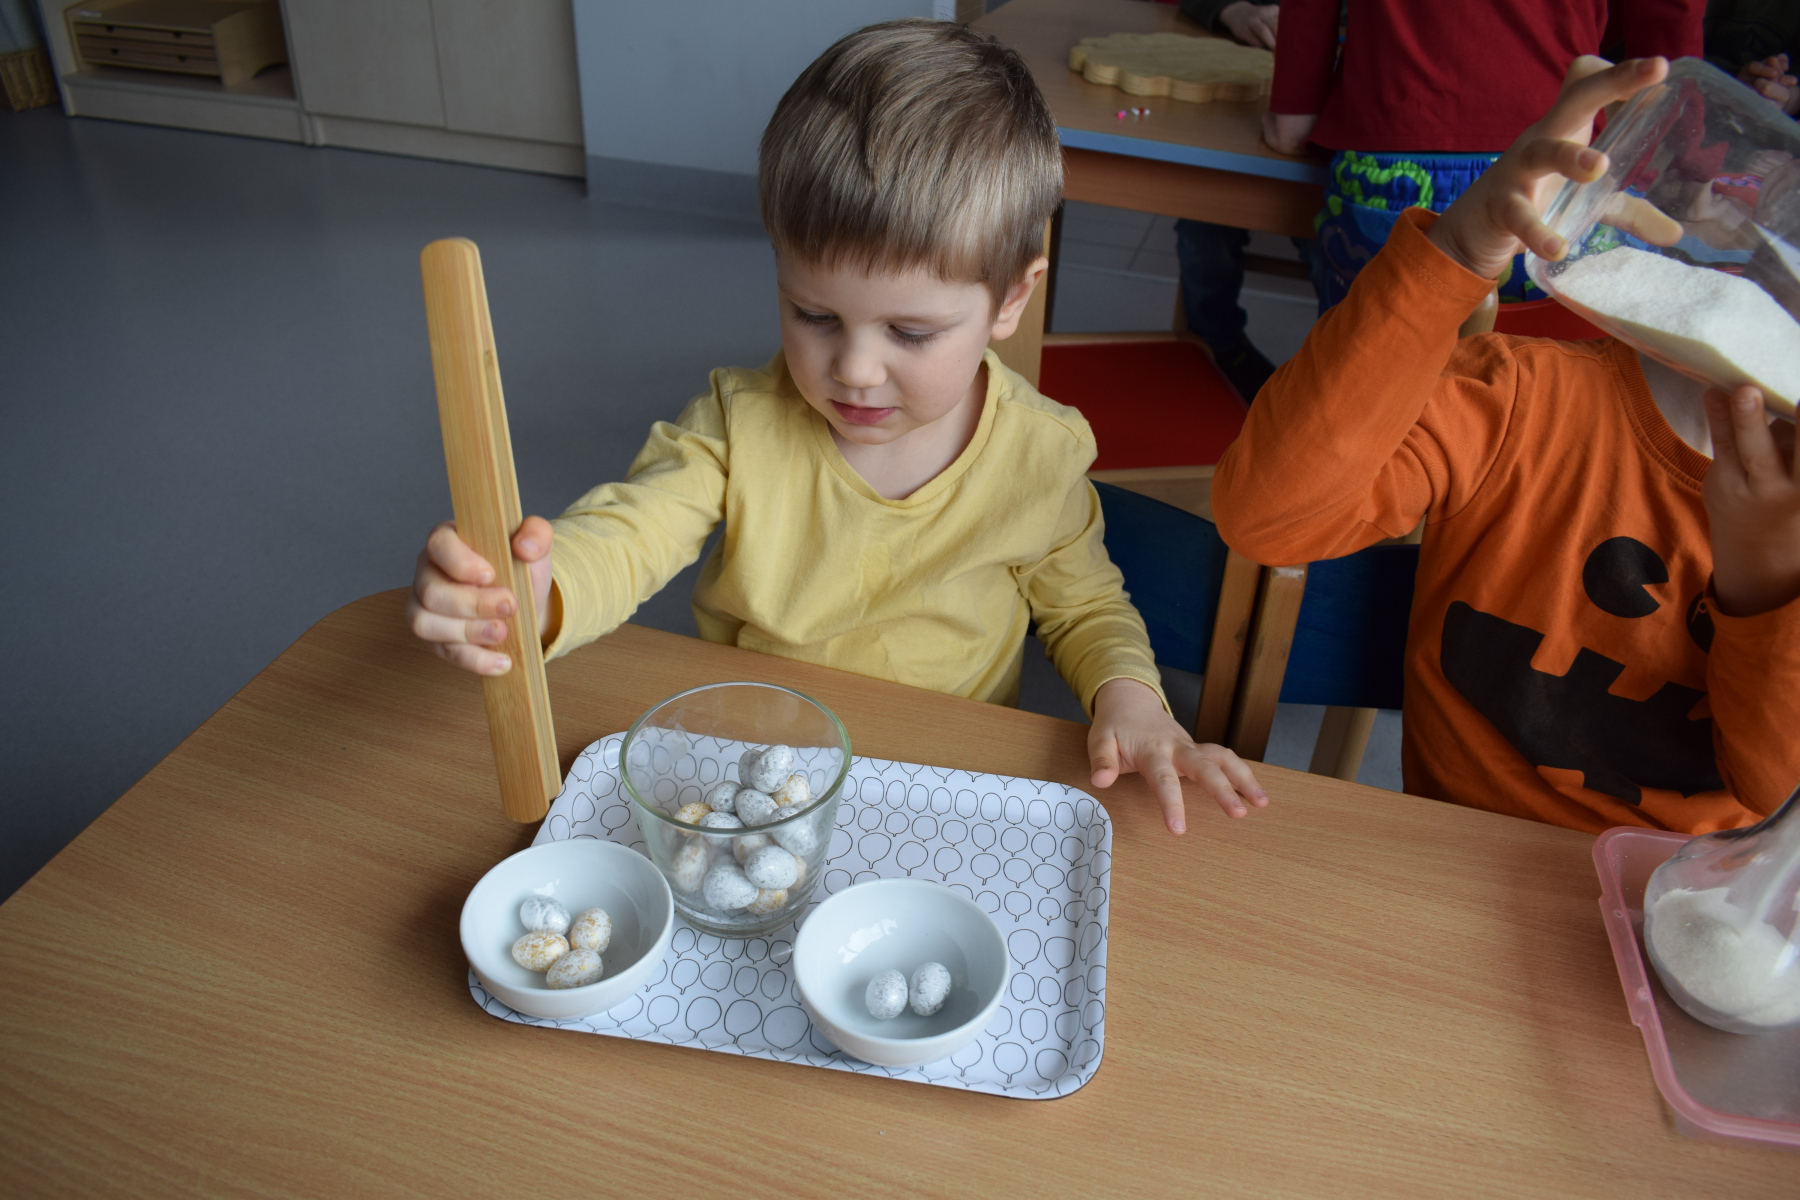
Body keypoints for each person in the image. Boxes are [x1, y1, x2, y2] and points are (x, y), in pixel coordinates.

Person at [406, 20, 1266, 834]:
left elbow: (1085, 606)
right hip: (750, 768)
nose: (853, 369)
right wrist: (541, 593)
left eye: (910, 333)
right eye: (814, 315)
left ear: (1011, 298)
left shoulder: (1041, 454)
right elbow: (632, 534)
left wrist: (1132, 697)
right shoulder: (738, 424)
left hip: (937, 781)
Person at [1211, 56, 1800, 835]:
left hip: (1665, 895)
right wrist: (1455, 252)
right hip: (1454, 853)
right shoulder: (1518, 398)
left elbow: (1772, 786)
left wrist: (1766, 584)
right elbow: (1268, 518)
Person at [1267, 0, 1702, 310]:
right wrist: (1691, 158)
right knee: (1559, 389)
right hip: (1562, 156)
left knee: (1368, 379)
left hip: (1394, 143)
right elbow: (1667, 14)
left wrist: (1294, 108)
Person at [1172, 0, 1316, 402]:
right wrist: (1230, 10)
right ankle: (1221, 350)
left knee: (1334, 253)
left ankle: (1334, 379)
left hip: (1328, 128)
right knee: (1203, 229)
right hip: (1238, 111)